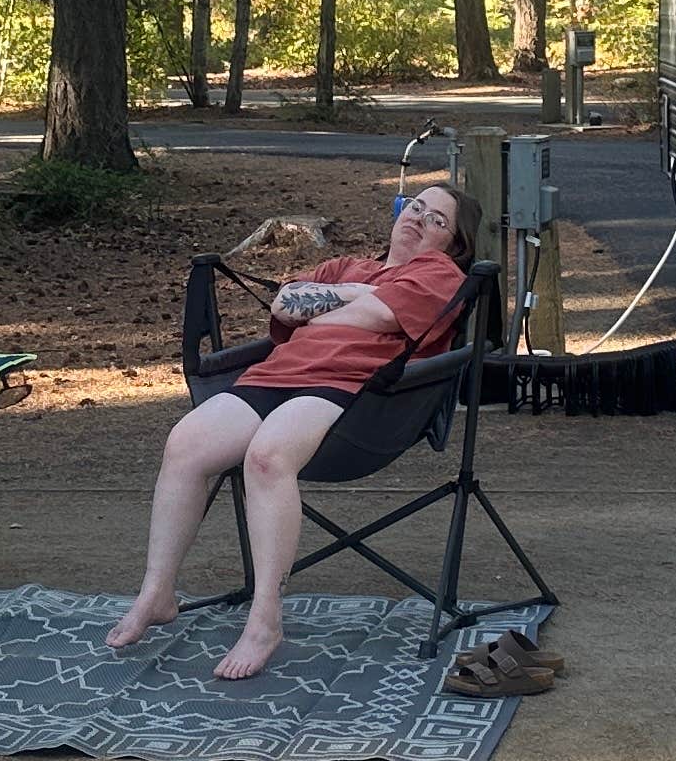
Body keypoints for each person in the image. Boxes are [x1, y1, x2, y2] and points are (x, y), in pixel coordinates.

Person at [110, 180, 476, 680]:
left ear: (453, 243)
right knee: (187, 443)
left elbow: (375, 315)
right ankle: (157, 592)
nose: (417, 218)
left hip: (357, 395)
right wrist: (353, 292)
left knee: (268, 456)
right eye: (414, 207)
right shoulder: (347, 267)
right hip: (274, 377)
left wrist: (340, 306)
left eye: (436, 219)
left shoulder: (440, 274)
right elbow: (286, 305)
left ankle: (265, 619)